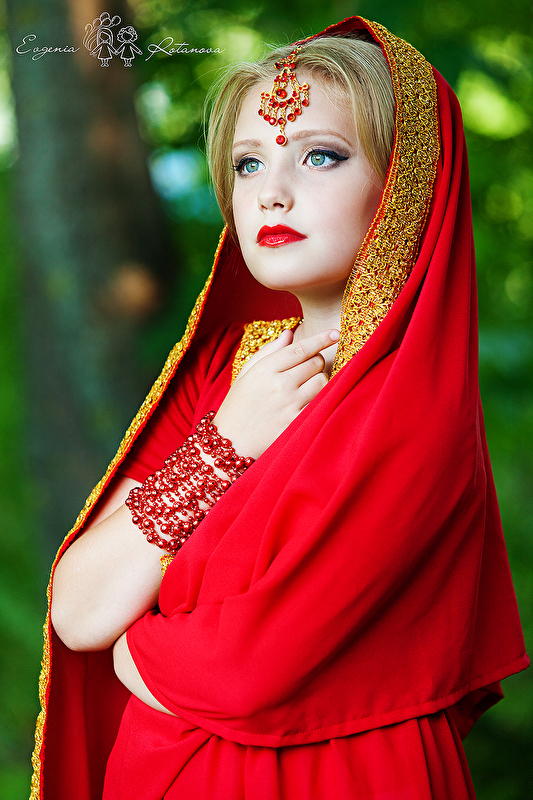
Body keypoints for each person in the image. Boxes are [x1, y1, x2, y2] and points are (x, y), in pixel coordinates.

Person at [31, 15, 528, 800]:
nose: (272, 192)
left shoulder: (411, 402)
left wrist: (138, 645)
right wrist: (225, 439)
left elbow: (244, 670)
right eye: (248, 162)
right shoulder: (225, 373)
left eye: (320, 155)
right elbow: (83, 611)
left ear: (403, 186)